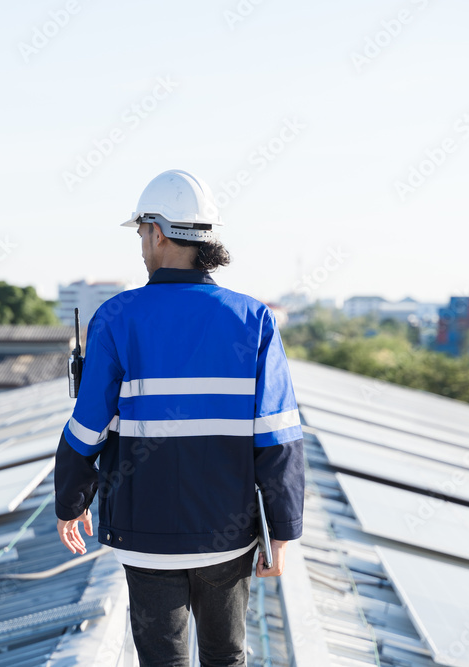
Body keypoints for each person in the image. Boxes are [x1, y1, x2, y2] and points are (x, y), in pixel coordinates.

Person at [54, 169, 305, 666]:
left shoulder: (117, 316)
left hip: (144, 534)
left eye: (142, 233)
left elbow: (87, 427)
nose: (141, 246)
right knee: (226, 656)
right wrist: (283, 529)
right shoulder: (253, 319)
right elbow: (278, 436)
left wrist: (71, 501)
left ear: (159, 232)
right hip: (225, 535)